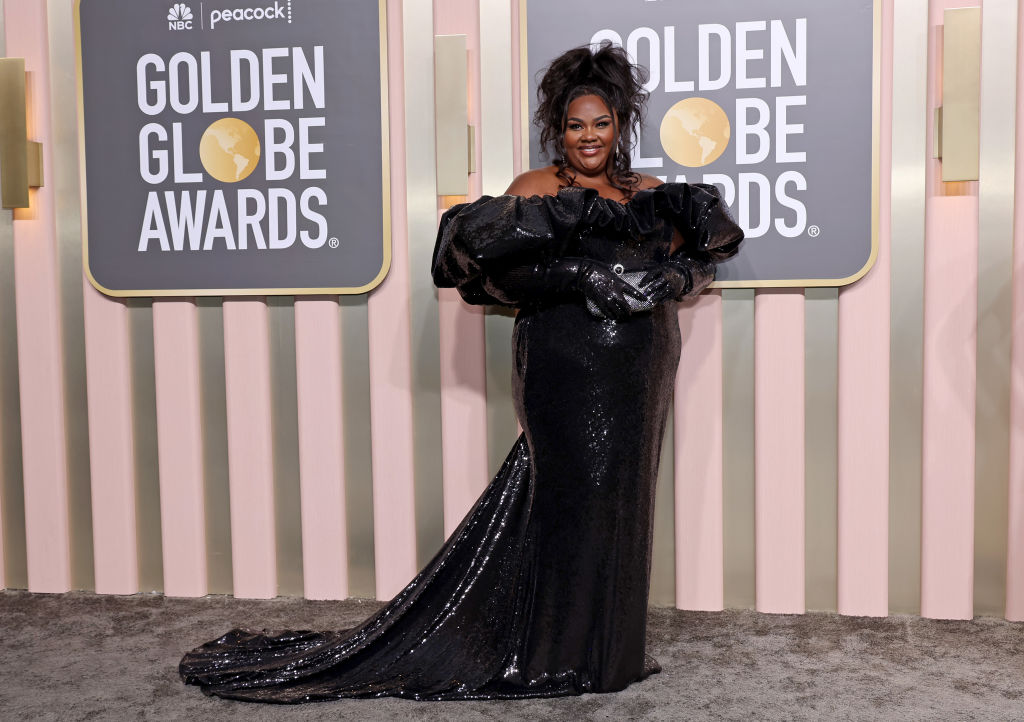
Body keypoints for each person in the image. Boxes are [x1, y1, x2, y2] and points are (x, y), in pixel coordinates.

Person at [178, 42, 743, 703]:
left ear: (620, 123)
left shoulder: (653, 194)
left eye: (600, 123)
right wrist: (578, 272)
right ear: (557, 129)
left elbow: (706, 256)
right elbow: (490, 274)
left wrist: (679, 273)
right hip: (564, 364)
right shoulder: (534, 192)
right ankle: (556, 651)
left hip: (640, 367)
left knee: (624, 499)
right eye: (574, 124)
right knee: (566, 501)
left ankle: (609, 656)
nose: (588, 136)